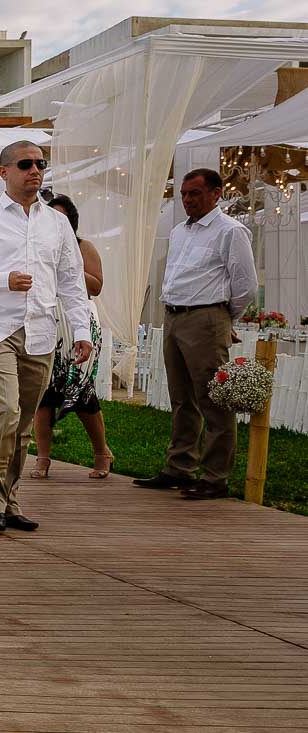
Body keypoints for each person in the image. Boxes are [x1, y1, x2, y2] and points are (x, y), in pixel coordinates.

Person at [0, 140, 92, 534]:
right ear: (3, 172)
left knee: (22, 424)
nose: (35, 170)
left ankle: (9, 499)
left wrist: (81, 331)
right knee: (3, 413)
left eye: (40, 163)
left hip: (40, 332)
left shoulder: (56, 224)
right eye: (25, 164)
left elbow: (72, 283)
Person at [134, 169, 258, 500]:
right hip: (174, 315)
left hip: (206, 316)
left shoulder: (230, 231)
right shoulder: (179, 232)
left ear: (216, 193)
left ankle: (216, 476)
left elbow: (245, 285)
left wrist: (220, 319)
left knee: (213, 399)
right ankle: (179, 466)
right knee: (181, 397)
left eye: (195, 194)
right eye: (185, 194)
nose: (188, 200)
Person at [30, 195, 113, 480]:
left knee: (81, 389)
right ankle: (42, 457)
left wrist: (68, 268)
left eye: (61, 217)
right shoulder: (37, 247)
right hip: (47, 319)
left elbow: (97, 286)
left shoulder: (82, 247)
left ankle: (102, 453)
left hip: (77, 321)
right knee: (44, 392)